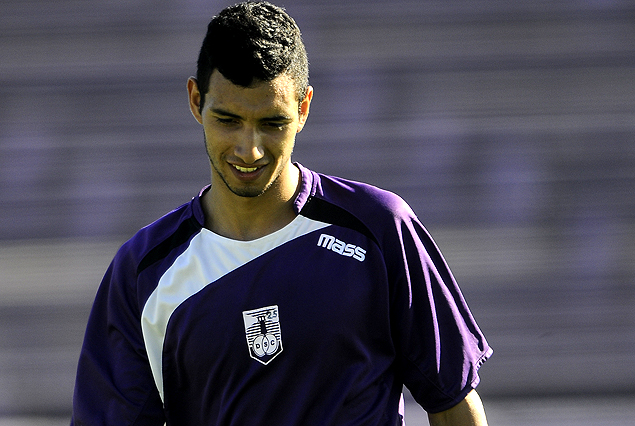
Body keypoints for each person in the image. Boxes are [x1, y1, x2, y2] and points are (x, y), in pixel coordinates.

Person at [71, 2, 492, 425]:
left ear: (303, 109)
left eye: (272, 123)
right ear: (196, 101)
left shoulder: (379, 229)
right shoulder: (143, 270)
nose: (249, 149)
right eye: (228, 119)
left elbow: (454, 407)